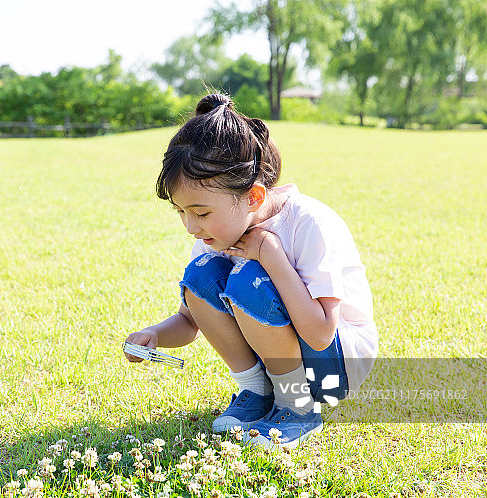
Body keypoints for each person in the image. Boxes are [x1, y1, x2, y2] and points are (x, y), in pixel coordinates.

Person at [123, 93, 378, 448]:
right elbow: (191, 319)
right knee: (200, 275)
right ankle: (258, 392)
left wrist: (270, 255)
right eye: (181, 211)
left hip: (333, 368)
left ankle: (297, 407)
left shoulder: (308, 223)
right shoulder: (217, 233)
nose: (190, 226)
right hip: (284, 361)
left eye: (201, 212)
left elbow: (321, 334)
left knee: (248, 279)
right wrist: (154, 335)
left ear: (254, 198)